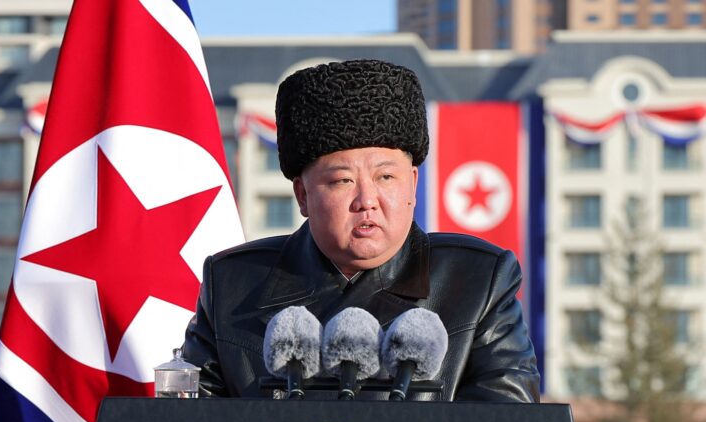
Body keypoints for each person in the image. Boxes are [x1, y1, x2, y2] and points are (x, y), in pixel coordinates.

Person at [183, 59, 540, 402]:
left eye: (386, 177)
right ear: (303, 195)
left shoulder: (478, 282)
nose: (367, 200)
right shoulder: (232, 286)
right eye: (343, 180)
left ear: (413, 184)